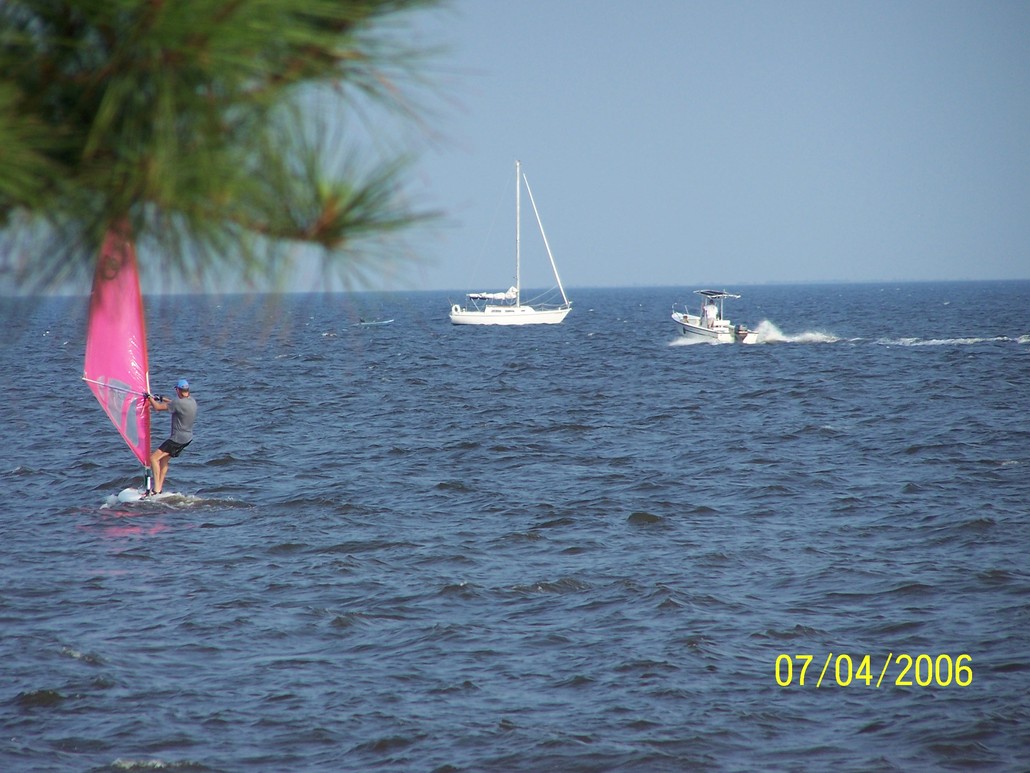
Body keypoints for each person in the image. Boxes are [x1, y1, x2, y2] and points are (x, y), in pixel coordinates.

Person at [146, 378, 198, 495]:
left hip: (177, 439)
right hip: (187, 438)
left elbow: (157, 408)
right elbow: (174, 403)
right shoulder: (192, 401)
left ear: (178, 390)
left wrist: (149, 398)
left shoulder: (178, 403)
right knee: (164, 459)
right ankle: (159, 489)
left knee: (153, 458)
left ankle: (156, 490)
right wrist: (161, 398)